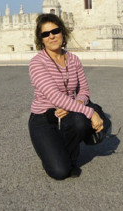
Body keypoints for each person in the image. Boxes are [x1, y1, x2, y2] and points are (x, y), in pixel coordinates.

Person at [28, 13, 104, 180]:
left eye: (55, 31)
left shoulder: (74, 59)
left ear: (62, 32)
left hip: (69, 113)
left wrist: (76, 104)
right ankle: (54, 154)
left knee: (79, 121)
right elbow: (54, 96)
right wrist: (90, 112)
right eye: (45, 34)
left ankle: (67, 156)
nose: (51, 36)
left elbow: (84, 90)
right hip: (44, 119)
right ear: (41, 39)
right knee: (59, 172)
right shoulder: (37, 63)